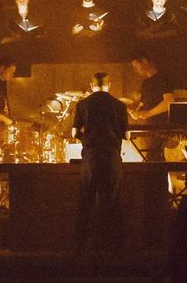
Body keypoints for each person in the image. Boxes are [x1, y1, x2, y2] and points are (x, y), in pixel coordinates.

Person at [71, 72, 128, 251]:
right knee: (113, 201)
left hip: (91, 157)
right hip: (111, 156)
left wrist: (86, 139)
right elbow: (126, 135)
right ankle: (115, 247)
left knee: (86, 201)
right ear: (109, 85)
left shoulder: (83, 104)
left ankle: (80, 247)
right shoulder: (119, 105)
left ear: (91, 84)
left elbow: (74, 133)